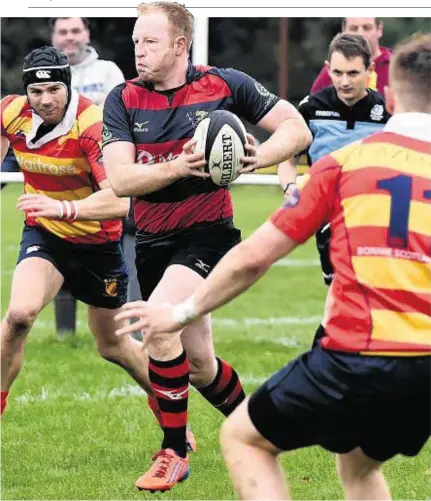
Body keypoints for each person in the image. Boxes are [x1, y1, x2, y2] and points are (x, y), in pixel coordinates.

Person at [116, 32, 431, 500]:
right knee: (358, 464)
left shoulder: (342, 165)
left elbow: (254, 256)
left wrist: (179, 314)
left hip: (354, 356)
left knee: (245, 439)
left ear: (386, 94)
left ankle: (177, 448)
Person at [102, 0, 312, 492]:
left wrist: (253, 158)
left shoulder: (225, 84)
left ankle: (174, 452)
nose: (139, 50)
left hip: (208, 236)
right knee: (198, 365)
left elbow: (295, 129)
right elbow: (120, 178)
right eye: (135, 41)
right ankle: (263, 428)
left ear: (180, 45)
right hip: (152, 242)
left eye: (149, 42)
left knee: (158, 322)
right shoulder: (123, 98)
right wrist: (180, 165)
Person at [0, 47, 156, 427]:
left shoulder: (92, 124)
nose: (45, 100)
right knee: (18, 316)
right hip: (46, 236)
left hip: (97, 245)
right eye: (36, 92)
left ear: (67, 86)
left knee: (114, 346)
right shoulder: (10, 112)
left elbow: (119, 202)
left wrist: (62, 208)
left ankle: (170, 411)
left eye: (53, 89)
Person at [279, 33, 390, 290]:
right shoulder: (310, 108)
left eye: (353, 74)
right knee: (339, 288)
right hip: (327, 213)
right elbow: (288, 158)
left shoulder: (386, 111)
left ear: (370, 70)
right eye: (338, 73)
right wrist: (290, 188)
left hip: (372, 213)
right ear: (328, 69)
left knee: (363, 288)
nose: (344, 81)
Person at [50, 17, 127, 336]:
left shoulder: (108, 71)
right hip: (61, 175)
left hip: (103, 173)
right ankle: (64, 334)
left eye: (75, 30)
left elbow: (116, 111)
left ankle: (118, 328)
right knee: (55, 241)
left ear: (87, 34)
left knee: (106, 248)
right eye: (62, 31)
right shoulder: (46, 74)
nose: (69, 37)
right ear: (53, 37)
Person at [311, 18, 392, 95]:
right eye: (353, 28)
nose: (361, 34)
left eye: (367, 28)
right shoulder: (332, 70)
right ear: (344, 30)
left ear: (379, 30)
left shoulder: (396, 66)